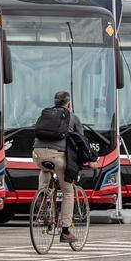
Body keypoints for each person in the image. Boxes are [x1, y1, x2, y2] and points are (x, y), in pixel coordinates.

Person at [32, 90, 85, 243]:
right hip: (58, 156)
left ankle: (43, 196)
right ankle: (66, 231)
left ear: (55, 102)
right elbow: (81, 142)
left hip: (38, 154)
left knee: (45, 168)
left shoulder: (45, 115)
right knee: (68, 191)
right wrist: (86, 160)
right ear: (69, 104)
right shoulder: (73, 118)